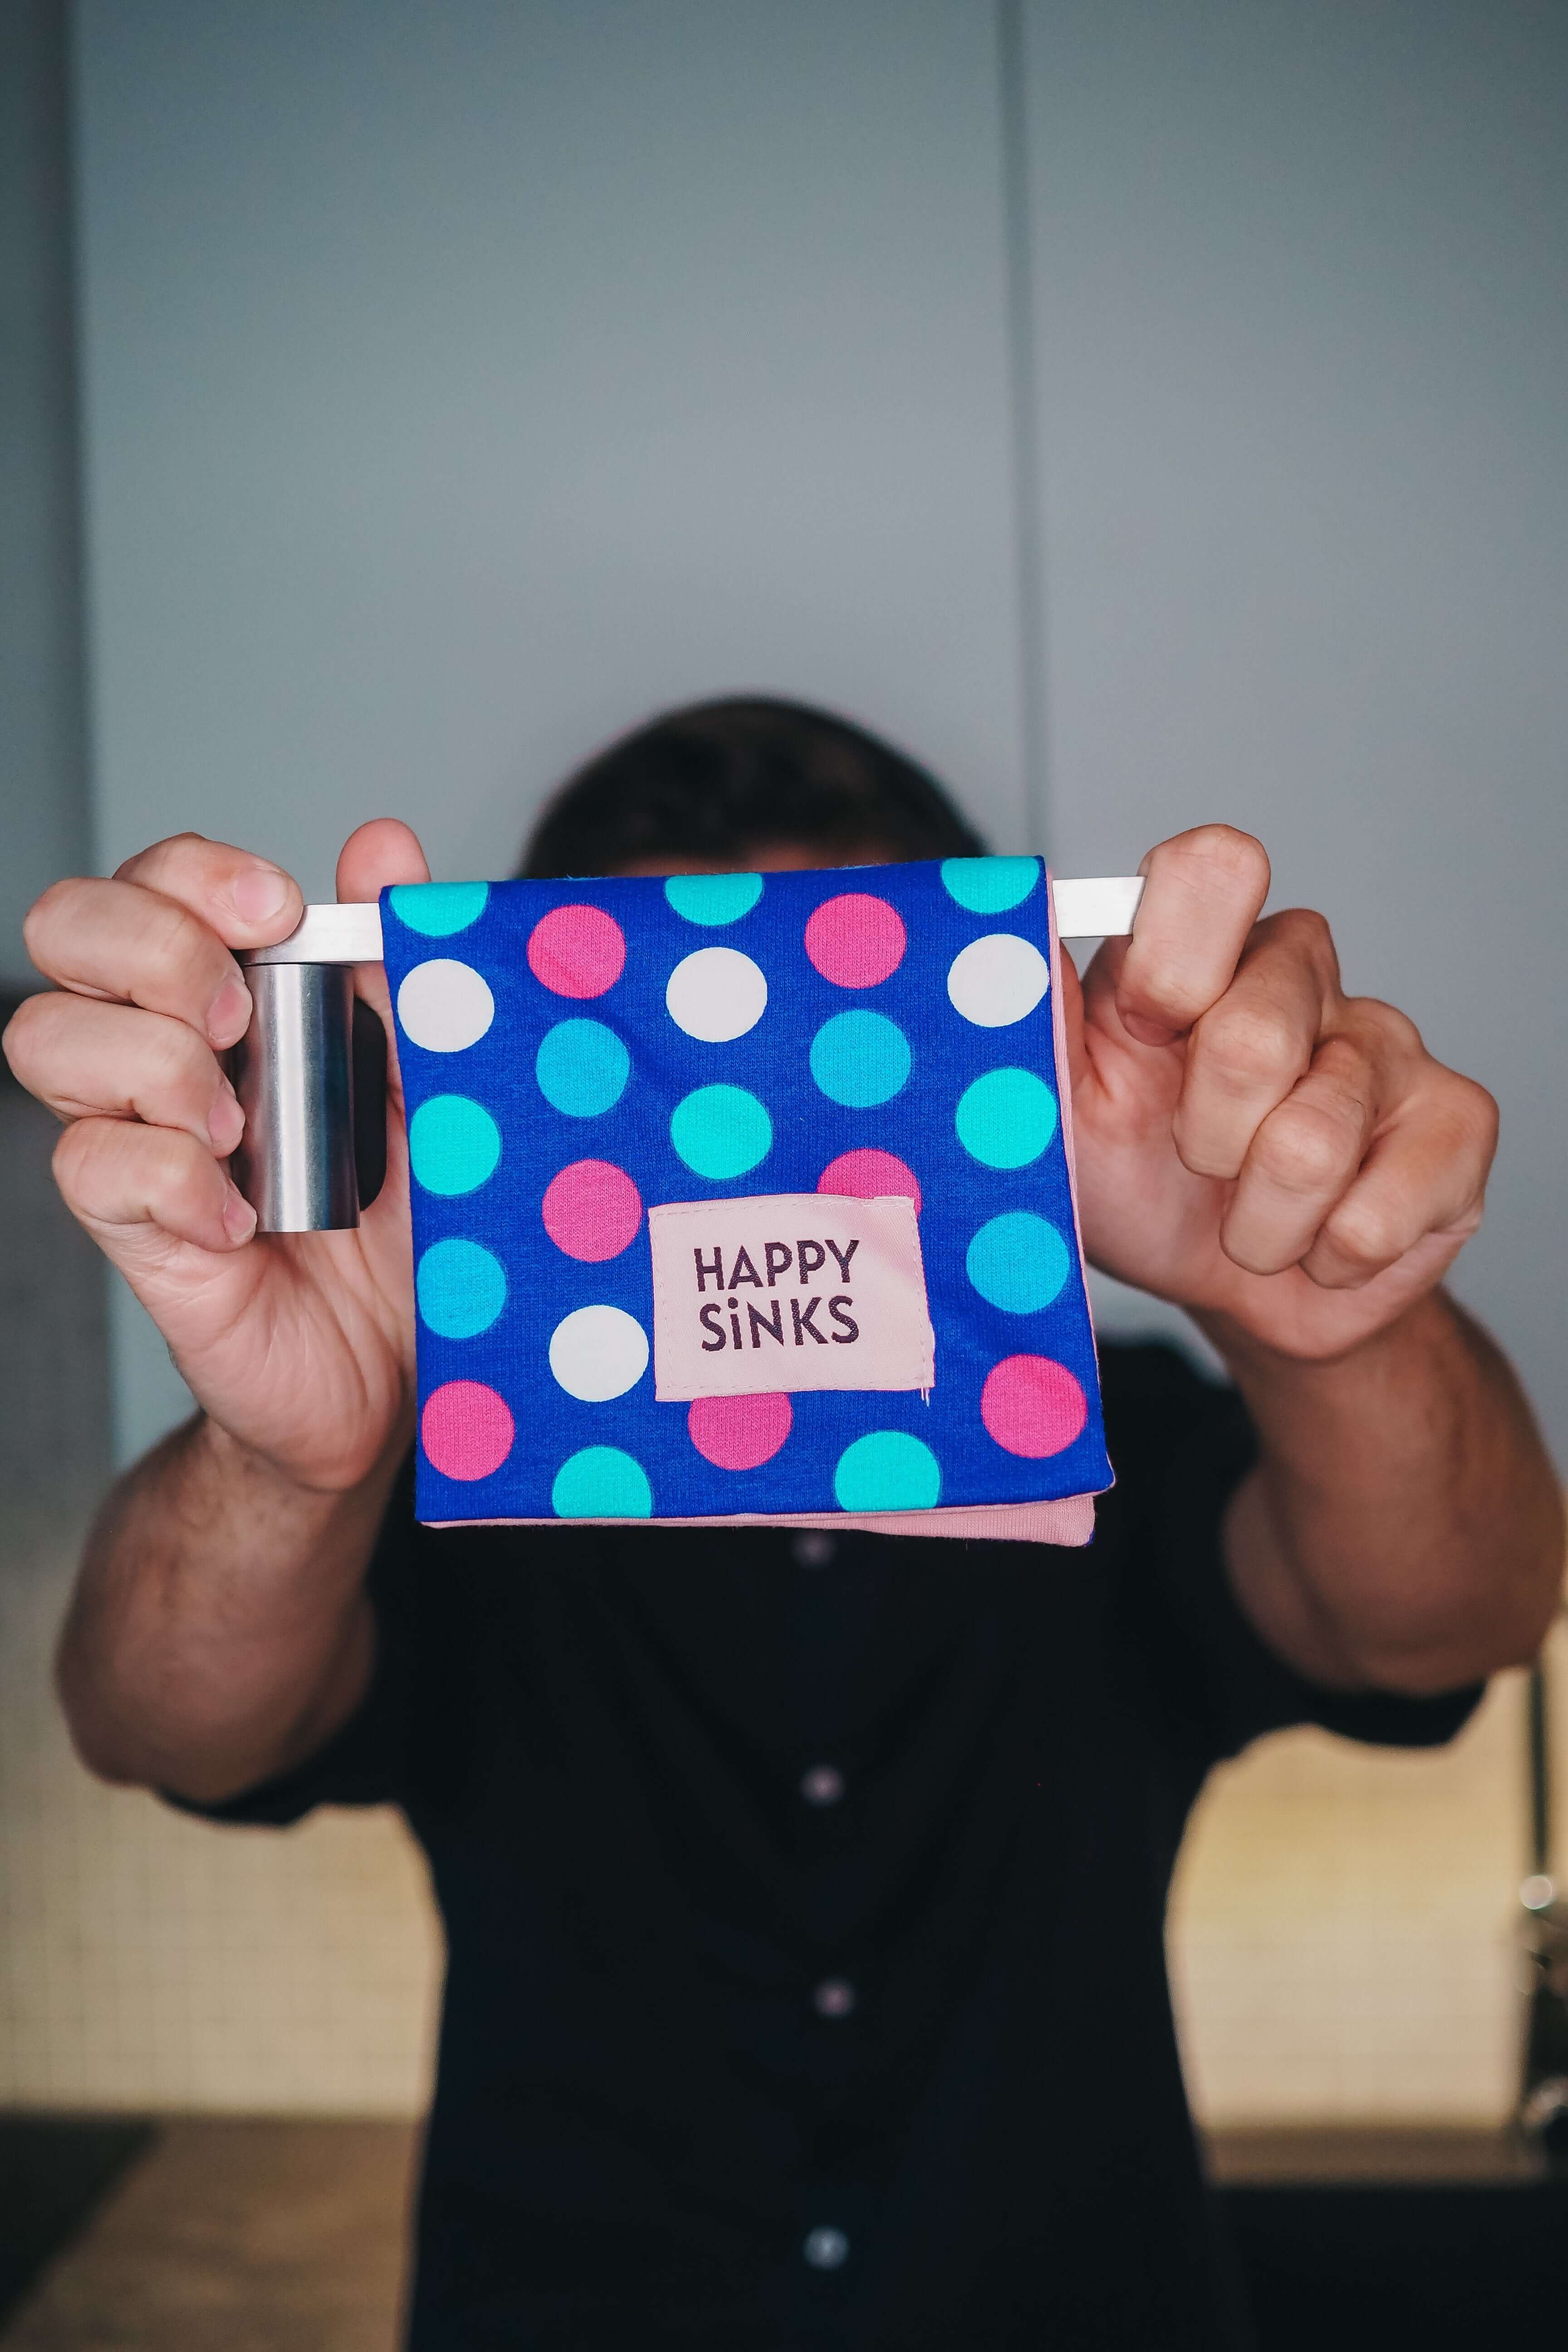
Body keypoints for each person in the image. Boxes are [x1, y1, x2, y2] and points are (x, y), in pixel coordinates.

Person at [6, 696, 1562, 2350]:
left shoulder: (1123, 1425)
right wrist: (294, 1457)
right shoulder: (443, 1428)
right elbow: (156, 1724)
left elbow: (1446, 1622)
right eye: (680, 1048)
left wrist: (1320, 1313)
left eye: (843, 1038)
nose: (762, 1129)